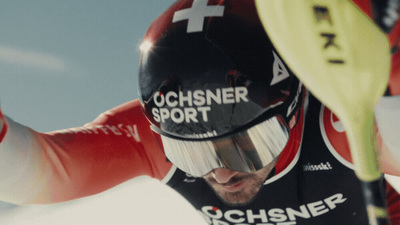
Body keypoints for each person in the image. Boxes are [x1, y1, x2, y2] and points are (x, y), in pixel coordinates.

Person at [0, 0, 400, 224]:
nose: (222, 174)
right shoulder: (156, 133)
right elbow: (40, 174)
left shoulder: (341, 118)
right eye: (192, 155)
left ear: (292, 106)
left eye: (246, 145)